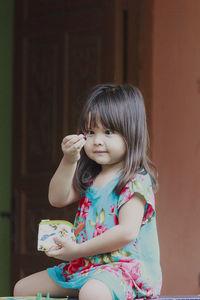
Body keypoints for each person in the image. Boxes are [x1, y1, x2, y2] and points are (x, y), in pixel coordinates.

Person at [14, 84, 162, 300]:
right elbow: (57, 198)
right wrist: (69, 159)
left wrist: (76, 250)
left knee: (92, 291)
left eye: (108, 132)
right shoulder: (91, 175)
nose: (97, 140)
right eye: (90, 132)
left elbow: (127, 232)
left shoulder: (135, 178)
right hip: (86, 266)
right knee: (23, 289)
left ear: (131, 134)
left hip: (125, 270)